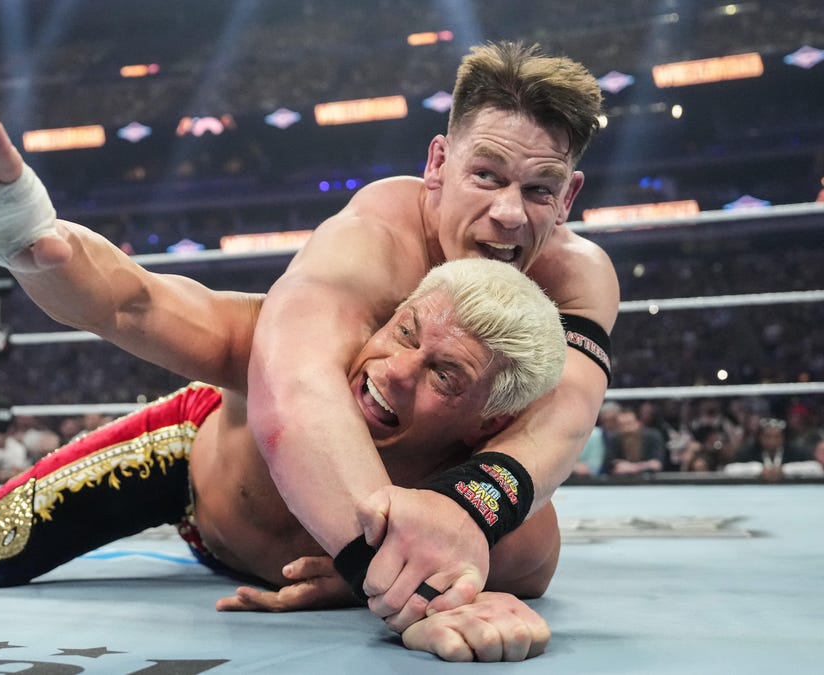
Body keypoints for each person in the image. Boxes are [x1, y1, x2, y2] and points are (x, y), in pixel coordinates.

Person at [0, 83, 572, 660]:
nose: (393, 371)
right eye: (403, 331)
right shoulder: (295, 336)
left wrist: (445, 595)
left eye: (444, 374)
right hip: (189, 468)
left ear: (492, 420)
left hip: (278, 556)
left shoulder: (514, 527)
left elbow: (501, 580)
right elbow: (135, 302)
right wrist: (24, 234)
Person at [243, 42, 618, 626]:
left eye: (540, 189)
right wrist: (409, 584)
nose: (510, 214)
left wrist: (436, 539)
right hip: (220, 468)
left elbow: (562, 420)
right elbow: (294, 385)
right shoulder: (374, 235)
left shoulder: (576, 276)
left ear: (569, 196)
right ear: (439, 163)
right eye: (487, 175)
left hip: (386, 500)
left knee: (532, 546)